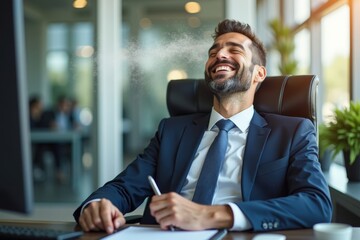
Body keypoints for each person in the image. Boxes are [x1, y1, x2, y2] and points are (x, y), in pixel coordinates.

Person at [73, 19, 332, 233]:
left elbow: (316, 203)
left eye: (235, 50)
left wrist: (212, 215)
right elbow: (124, 187)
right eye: (213, 51)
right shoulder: (171, 131)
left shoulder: (293, 132)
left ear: (259, 74)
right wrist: (98, 205)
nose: (219, 54)